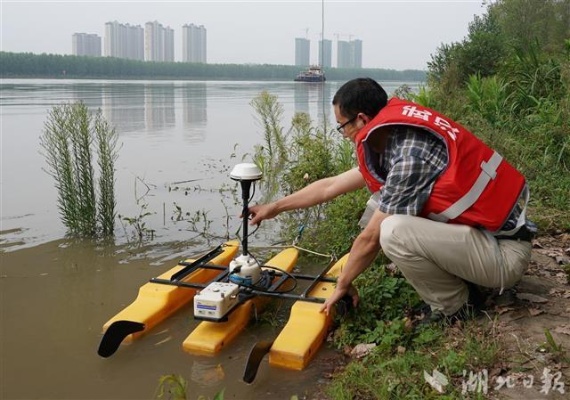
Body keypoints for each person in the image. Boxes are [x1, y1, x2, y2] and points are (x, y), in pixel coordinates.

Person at [248, 77, 535, 324]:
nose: (343, 134)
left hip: (503, 256)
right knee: (381, 206)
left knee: (392, 230)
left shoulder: (410, 155)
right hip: (485, 240)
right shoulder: (394, 138)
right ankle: (455, 285)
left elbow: (371, 238)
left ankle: (455, 306)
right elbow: (330, 186)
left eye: (342, 126)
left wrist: (343, 284)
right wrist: (274, 207)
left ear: (361, 119)